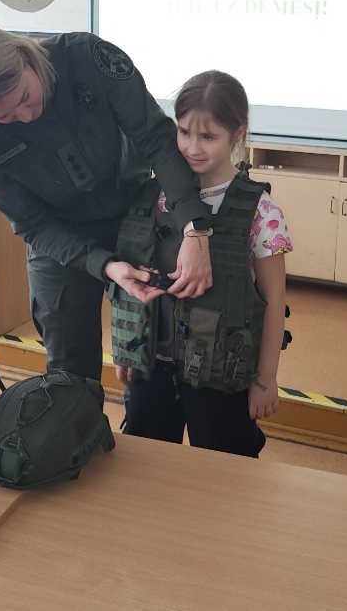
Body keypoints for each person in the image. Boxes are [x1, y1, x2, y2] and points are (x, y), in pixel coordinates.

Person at [0, 23, 213, 381]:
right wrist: (104, 265)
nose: (26, 116)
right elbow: (33, 224)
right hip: (60, 240)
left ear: (24, 56)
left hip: (134, 213)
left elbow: (156, 139)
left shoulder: (88, 59)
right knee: (70, 370)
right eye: (4, 117)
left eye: (24, 97)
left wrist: (195, 228)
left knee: (154, 347)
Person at [114, 70, 292, 458]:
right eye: (183, 132)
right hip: (152, 366)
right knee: (146, 465)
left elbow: (274, 301)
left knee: (225, 472)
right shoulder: (151, 198)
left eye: (208, 137)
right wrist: (128, 349)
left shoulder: (261, 211)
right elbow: (132, 281)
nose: (192, 147)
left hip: (221, 376)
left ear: (237, 133)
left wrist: (266, 379)